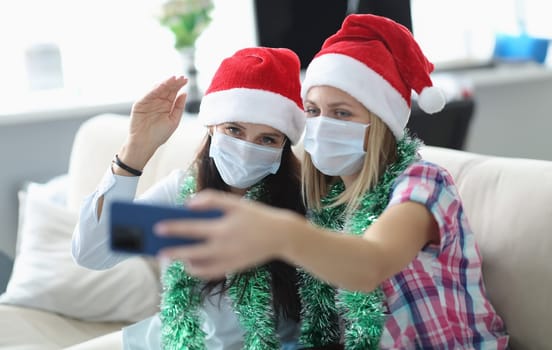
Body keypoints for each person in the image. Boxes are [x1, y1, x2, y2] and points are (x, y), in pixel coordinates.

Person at [154, 14, 509, 349]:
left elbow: (371, 263)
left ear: (380, 122)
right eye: (312, 110)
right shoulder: (321, 200)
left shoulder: (424, 183)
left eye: (341, 113)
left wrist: (279, 233)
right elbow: (118, 235)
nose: (322, 124)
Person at [72, 47, 307, 349]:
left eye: (267, 139)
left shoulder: (302, 203)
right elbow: (93, 253)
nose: (247, 149)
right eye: (234, 130)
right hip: (170, 340)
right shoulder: (182, 194)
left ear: (283, 147)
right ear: (212, 128)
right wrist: (136, 150)